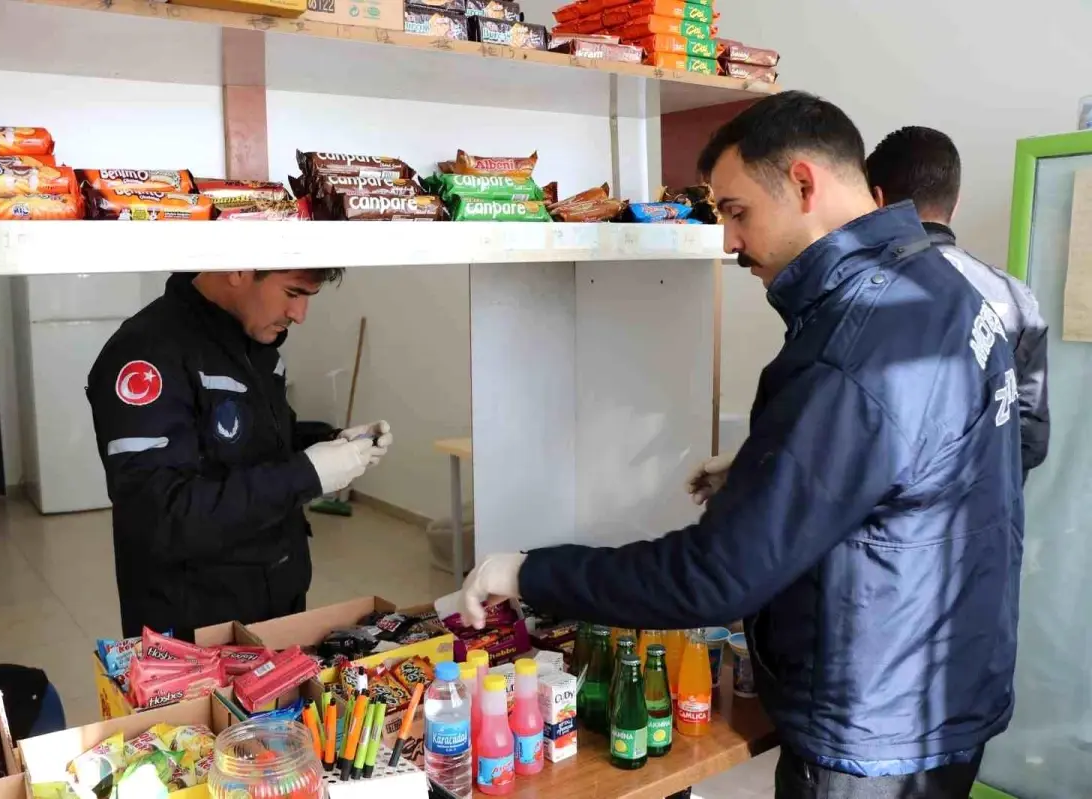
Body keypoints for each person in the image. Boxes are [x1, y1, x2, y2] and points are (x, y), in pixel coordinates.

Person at [459, 92, 1024, 798]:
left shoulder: (849, 346)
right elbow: (939, 462)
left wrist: (527, 571)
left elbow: (715, 575)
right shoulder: (944, 287)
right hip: (949, 679)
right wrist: (780, 465)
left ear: (803, 182)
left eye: (735, 211)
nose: (728, 242)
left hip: (875, 719)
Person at [87, 270, 392, 639]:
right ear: (239, 271)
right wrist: (307, 474)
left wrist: (333, 441)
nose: (300, 314)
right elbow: (161, 515)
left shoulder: (254, 339)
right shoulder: (146, 353)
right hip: (196, 619)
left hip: (277, 595)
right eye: (293, 293)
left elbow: (261, 440)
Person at [867, 125, 1049, 479]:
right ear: (956, 200)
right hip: (992, 520)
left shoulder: (860, 292)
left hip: (893, 525)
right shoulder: (1014, 295)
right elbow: (1032, 437)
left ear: (876, 199)